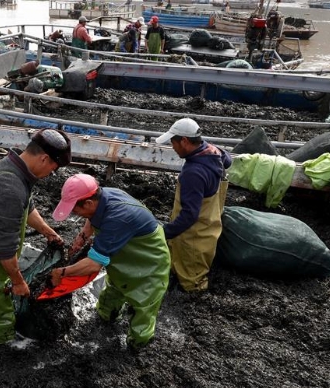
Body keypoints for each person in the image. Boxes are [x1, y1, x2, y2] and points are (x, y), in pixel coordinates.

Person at [0, 129, 72, 344]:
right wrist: (18, 282)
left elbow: (26, 206)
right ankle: (4, 349)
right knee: (1, 313)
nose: (50, 174)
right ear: (44, 158)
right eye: (52, 169)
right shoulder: (9, 186)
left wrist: (48, 232)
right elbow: (5, 248)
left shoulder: (17, 167)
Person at [49, 174, 170, 350]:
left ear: (89, 203)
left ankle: (138, 344)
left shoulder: (118, 217)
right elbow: (92, 218)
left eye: (75, 210)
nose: (74, 214)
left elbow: (93, 265)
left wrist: (60, 273)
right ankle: (106, 316)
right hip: (124, 254)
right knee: (114, 290)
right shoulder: (102, 197)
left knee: (144, 304)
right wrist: (82, 237)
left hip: (148, 260)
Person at [155, 118, 232, 292]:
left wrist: (164, 232)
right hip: (208, 229)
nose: (173, 148)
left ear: (184, 141)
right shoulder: (214, 152)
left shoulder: (193, 173)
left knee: (192, 282)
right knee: (188, 265)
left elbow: (190, 215)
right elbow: (228, 161)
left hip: (193, 237)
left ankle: (194, 296)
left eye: (173, 143)